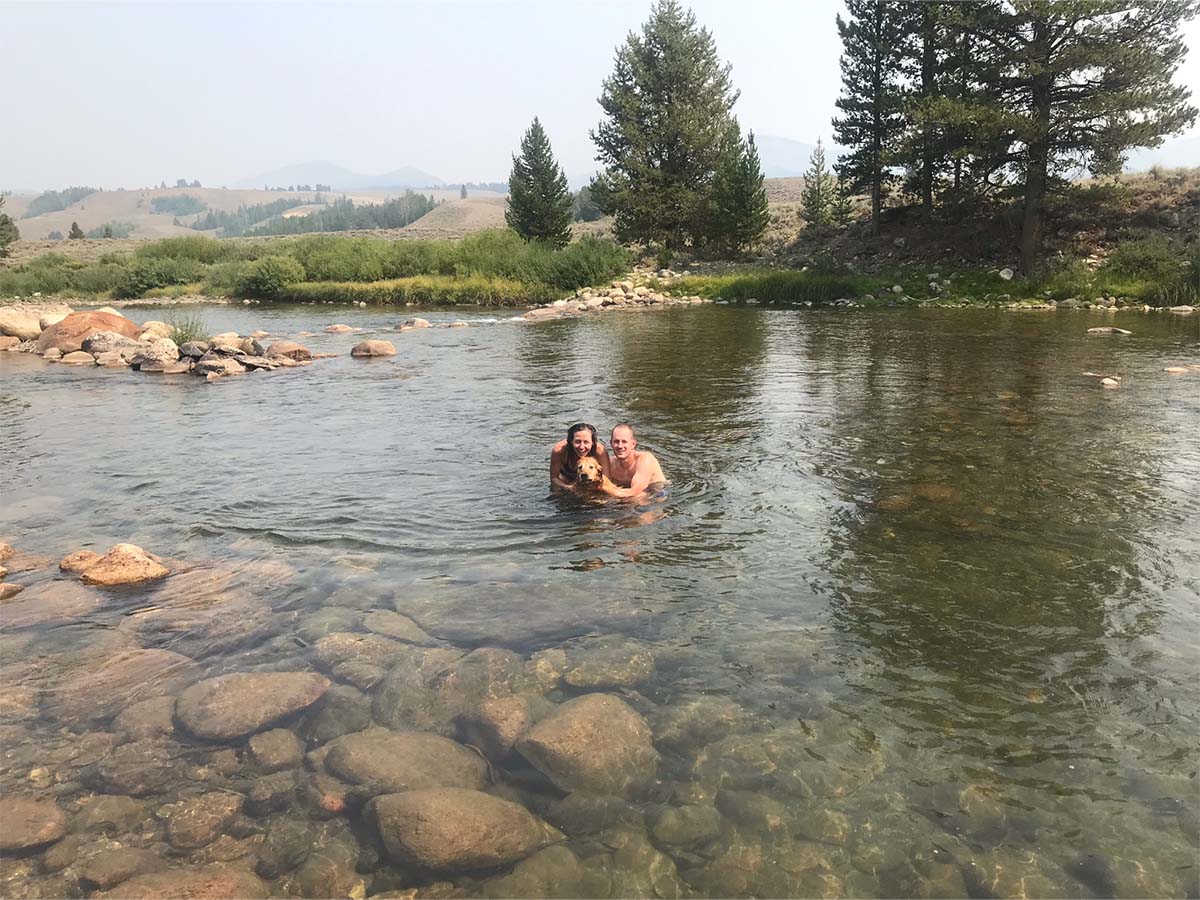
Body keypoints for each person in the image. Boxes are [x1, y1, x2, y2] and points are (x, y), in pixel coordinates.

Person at [604, 423, 666, 497]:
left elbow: (635, 492)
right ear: (611, 443)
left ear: (633, 444)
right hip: (627, 494)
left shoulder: (645, 459)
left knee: (640, 498)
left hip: (657, 494)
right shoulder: (610, 464)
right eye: (616, 441)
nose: (620, 446)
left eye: (624, 442)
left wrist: (603, 487)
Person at [550, 423, 609, 491]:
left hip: (591, 479)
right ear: (571, 441)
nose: (581, 447)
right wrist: (569, 488)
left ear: (593, 442)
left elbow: (606, 478)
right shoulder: (559, 450)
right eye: (577, 442)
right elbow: (554, 478)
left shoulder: (600, 451)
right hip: (566, 478)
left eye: (586, 442)